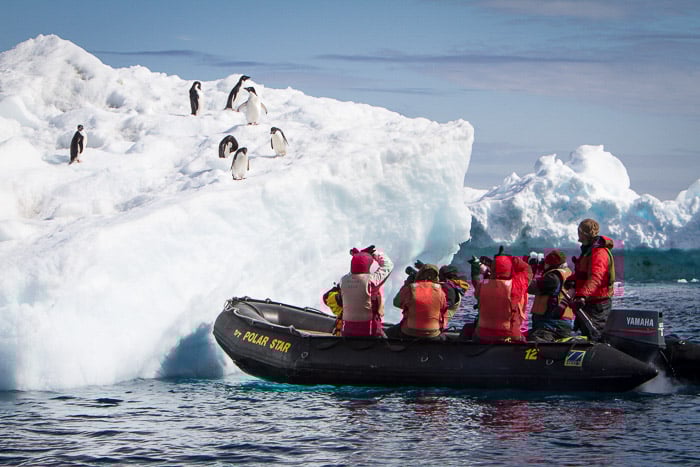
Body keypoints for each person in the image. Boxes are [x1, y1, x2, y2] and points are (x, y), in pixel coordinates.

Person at [572, 218, 616, 340]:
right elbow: (584, 273)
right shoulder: (588, 250)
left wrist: (582, 295)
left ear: (583, 233)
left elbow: (596, 276)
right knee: (586, 334)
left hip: (598, 304)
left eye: (579, 231)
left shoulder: (599, 252)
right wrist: (572, 279)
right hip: (589, 302)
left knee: (595, 336)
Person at [473, 253, 530, 343]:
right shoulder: (515, 286)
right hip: (509, 335)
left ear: (493, 269)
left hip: (482, 334)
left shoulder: (482, 285)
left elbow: (477, 291)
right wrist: (512, 259)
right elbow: (527, 270)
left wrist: (479, 273)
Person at [339, 245, 393, 337]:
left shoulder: (343, 280)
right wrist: (374, 253)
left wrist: (358, 257)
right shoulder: (371, 281)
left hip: (347, 331)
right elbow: (388, 265)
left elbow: (354, 272)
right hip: (369, 332)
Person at [386, 263, 449, 339]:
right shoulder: (440, 291)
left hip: (410, 331)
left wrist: (406, 285)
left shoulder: (411, 288)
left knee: (387, 333)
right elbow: (443, 308)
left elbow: (396, 303)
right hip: (433, 333)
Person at [528, 250, 576, 342]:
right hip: (563, 323)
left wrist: (531, 270)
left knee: (534, 341)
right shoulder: (567, 273)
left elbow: (529, 287)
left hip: (550, 324)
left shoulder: (552, 278)